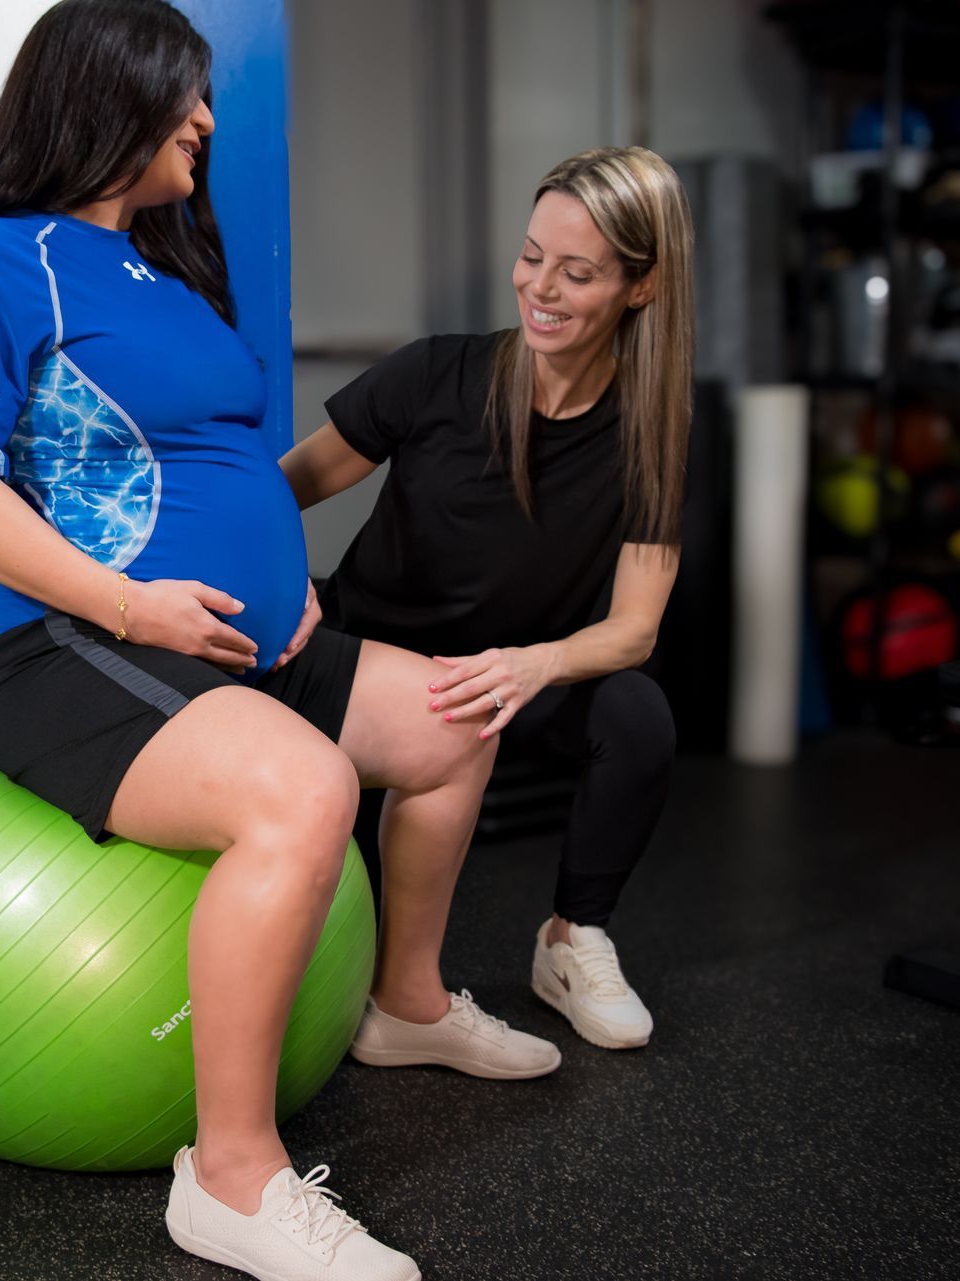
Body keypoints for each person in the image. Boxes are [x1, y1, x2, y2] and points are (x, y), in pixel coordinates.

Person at [0, 4, 554, 1278]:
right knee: (305, 793)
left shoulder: (164, 269)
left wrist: (284, 581)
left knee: (460, 718)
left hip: (240, 643)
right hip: (64, 648)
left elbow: (217, 463)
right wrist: (132, 605)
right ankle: (232, 1181)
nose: (206, 120)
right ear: (108, 95)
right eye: (184, 97)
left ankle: (407, 1005)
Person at [282, 146, 694, 1053]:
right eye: (532, 254)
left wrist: (532, 662)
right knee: (328, 956)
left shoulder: (653, 432)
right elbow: (283, 491)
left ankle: (571, 936)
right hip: (365, 666)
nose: (539, 285)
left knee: (635, 716)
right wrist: (280, 595)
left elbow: (633, 628)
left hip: (499, 681)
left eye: (578, 271)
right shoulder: (436, 376)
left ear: (642, 286)